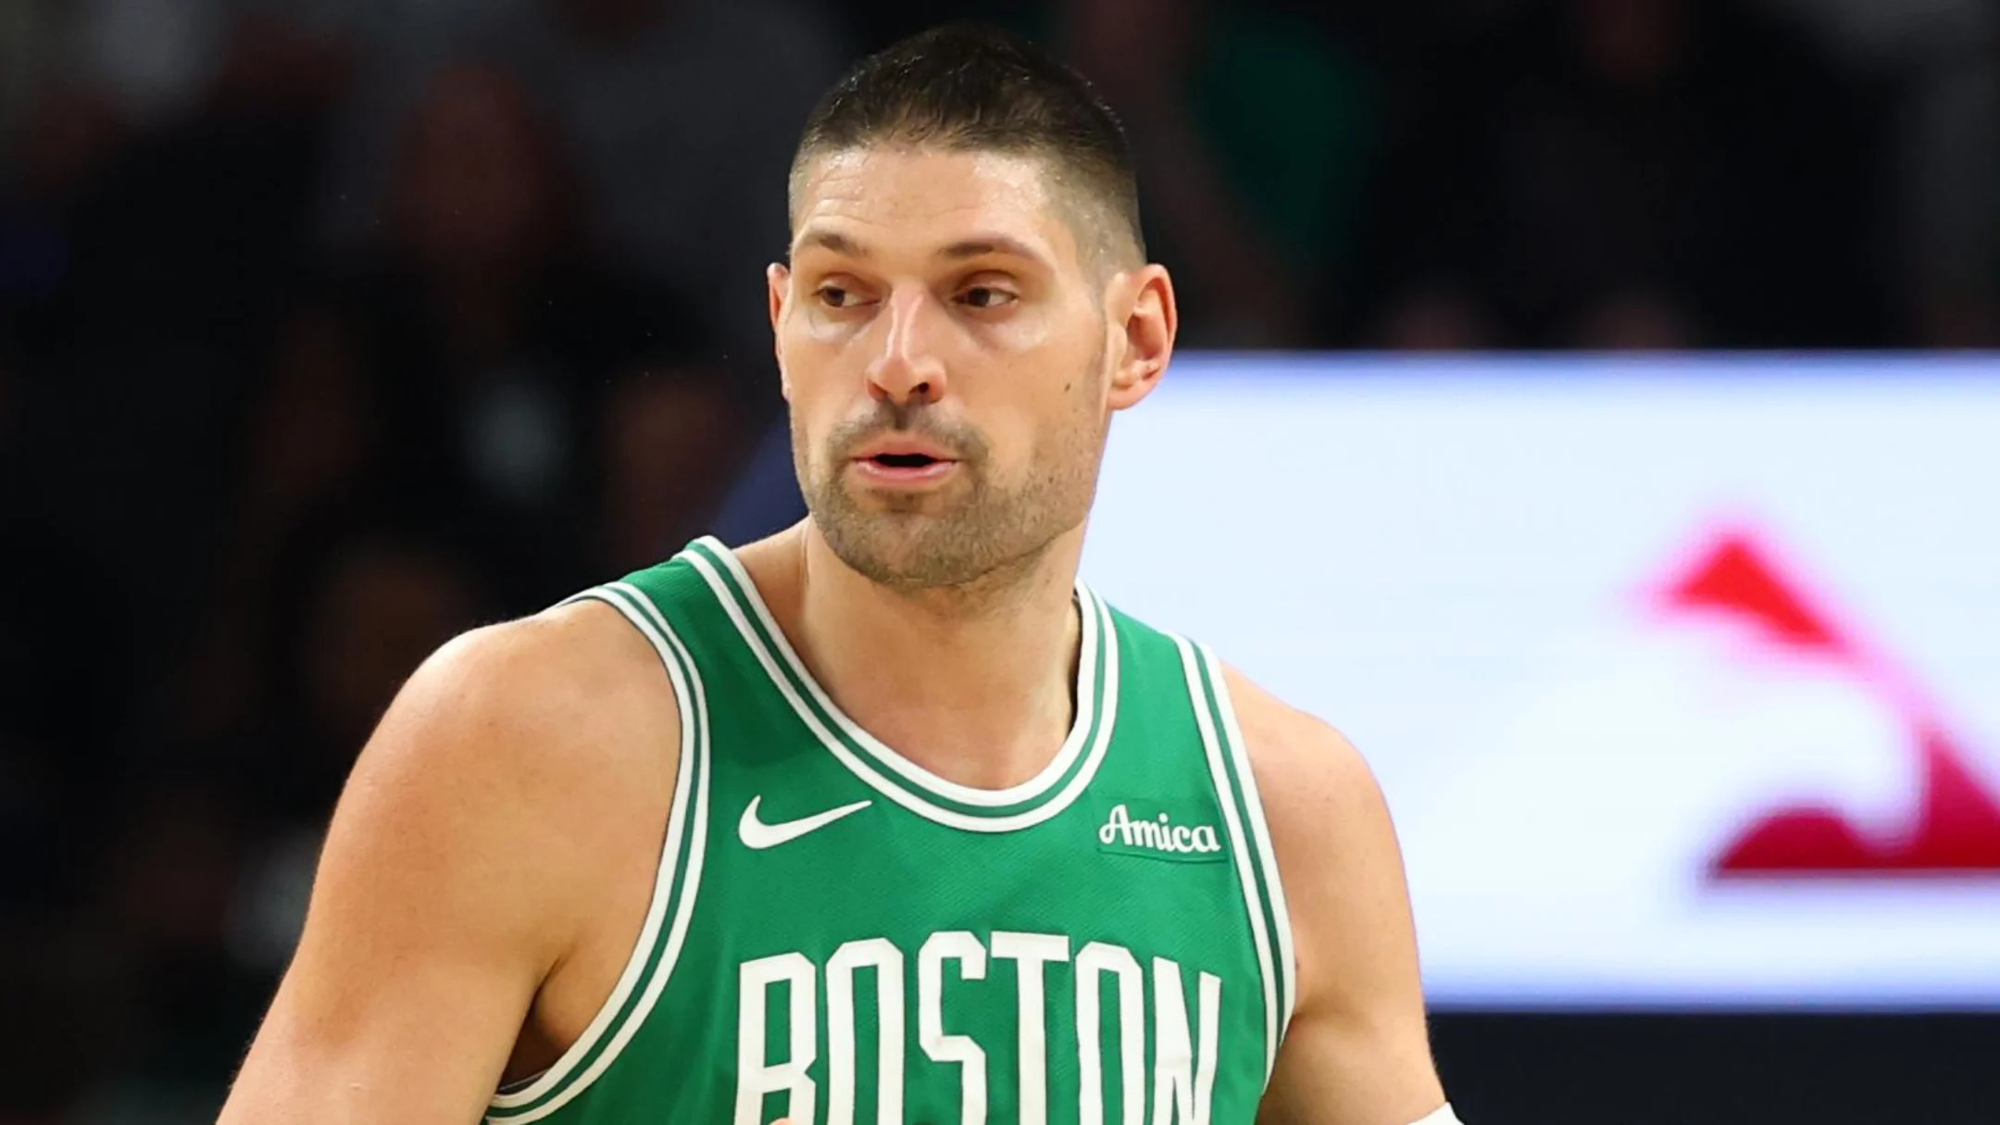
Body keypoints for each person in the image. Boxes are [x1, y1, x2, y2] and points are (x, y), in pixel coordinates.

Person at [215, 24, 1458, 1125]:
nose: (896, 360)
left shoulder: (1282, 813)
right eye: (841, 294)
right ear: (777, 327)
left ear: (1133, 338)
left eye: (980, 292)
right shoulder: (526, 736)